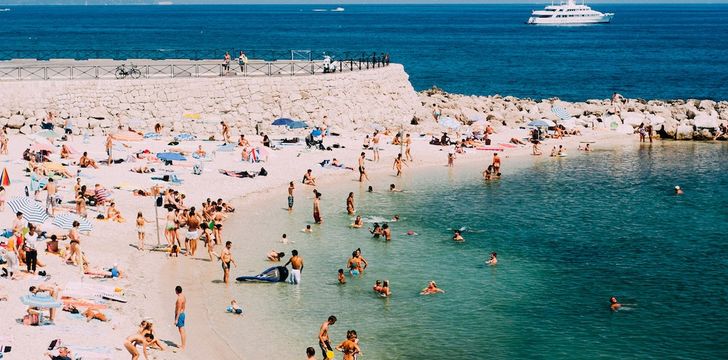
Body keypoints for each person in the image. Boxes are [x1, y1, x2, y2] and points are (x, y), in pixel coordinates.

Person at [174, 285, 186, 350]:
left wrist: (176, 319)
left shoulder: (179, 299)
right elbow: (183, 307)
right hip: (183, 314)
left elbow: (178, 309)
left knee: (181, 330)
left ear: (176, 291)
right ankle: (183, 344)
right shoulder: (183, 296)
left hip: (180, 315)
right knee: (182, 330)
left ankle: (183, 346)